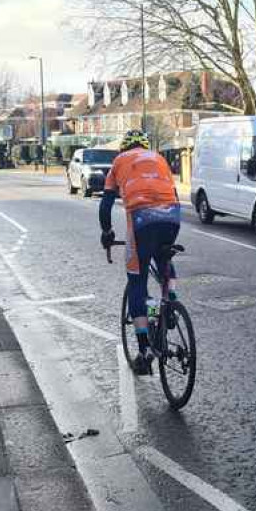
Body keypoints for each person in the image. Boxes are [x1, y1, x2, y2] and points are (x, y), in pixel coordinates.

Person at [99, 130, 181, 375]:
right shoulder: (159, 158)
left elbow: (105, 204)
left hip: (142, 218)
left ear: (124, 148)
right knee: (164, 257)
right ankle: (170, 303)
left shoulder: (119, 161)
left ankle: (144, 351)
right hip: (172, 215)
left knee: (137, 281)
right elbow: (174, 193)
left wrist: (107, 233)